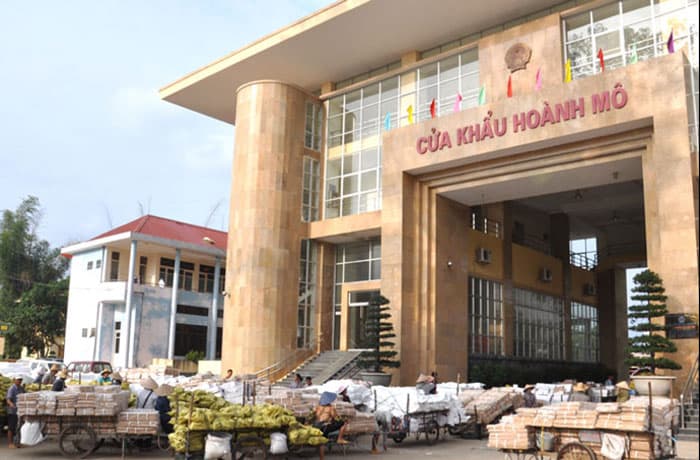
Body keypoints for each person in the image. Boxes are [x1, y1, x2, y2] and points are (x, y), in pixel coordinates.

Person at [6, 376, 24, 449]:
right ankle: (10, 443)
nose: (19, 381)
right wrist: (11, 404)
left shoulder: (21, 388)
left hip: (20, 410)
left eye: (20, 380)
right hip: (12, 411)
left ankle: (18, 443)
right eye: (18, 380)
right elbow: (8, 399)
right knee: (11, 427)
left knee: (19, 427)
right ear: (14, 380)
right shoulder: (12, 389)